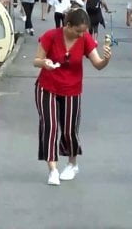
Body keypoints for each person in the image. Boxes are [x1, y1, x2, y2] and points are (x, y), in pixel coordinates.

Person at [33, 9, 112, 185]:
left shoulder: (84, 39)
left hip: (72, 89)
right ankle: (52, 169)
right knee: (50, 126)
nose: (81, 34)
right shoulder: (51, 36)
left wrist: (106, 59)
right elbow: (36, 60)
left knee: (69, 129)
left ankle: (72, 163)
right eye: (78, 30)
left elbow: (98, 64)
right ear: (67, 25)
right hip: (47, 87)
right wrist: (44, 63)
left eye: (84, 31)